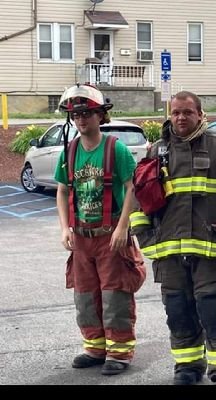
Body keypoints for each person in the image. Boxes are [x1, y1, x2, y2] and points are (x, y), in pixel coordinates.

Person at [129, 91, 216, 385]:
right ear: (169, 115)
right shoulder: (156, 152)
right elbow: (138, 198)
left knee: (213, 310)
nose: (181, 118)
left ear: (200, 114)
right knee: (178, 311)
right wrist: (145, 235)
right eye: (176, 113)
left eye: (187, 112)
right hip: (169, 252)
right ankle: (187, 367)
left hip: (211, 249)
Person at [54, 83, 146, 376]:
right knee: (84, 295)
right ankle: (94, 348)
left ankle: (119, 352)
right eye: (77, 114)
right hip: (82, 238)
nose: (82, 120)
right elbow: (61, 189)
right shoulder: (69, 151)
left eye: (88, 113)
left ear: (100, 116)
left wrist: (122, 228)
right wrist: (65, 228)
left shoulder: (114, 148)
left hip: (111, 236)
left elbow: (133, 188)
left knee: (115, 295)